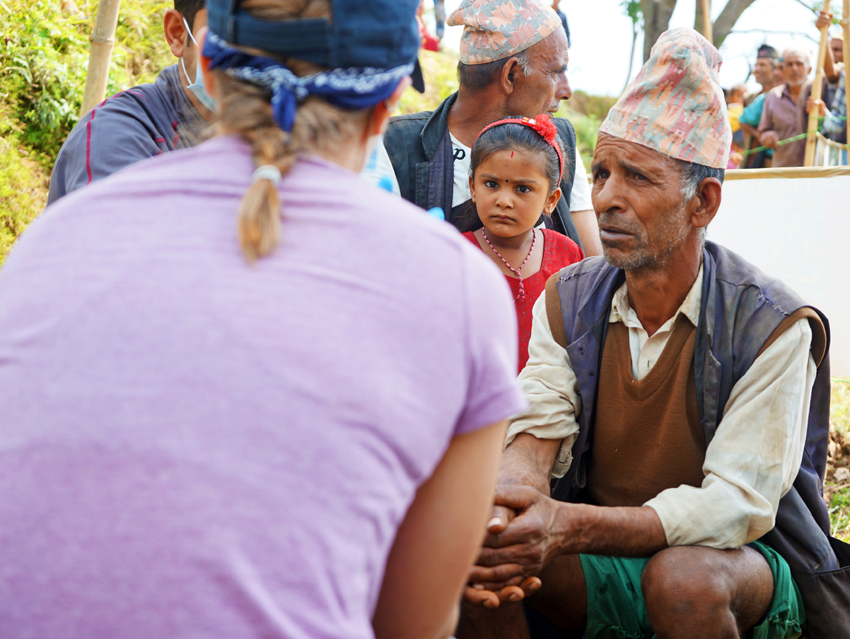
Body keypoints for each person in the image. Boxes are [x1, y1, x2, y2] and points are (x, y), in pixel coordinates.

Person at [0, 1, 530, 637]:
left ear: (209, 66)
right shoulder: (459, 288)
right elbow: (413, 623)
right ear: (388, 102)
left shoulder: (58, 236)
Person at [458, 28, 850, 639]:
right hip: (601, 545)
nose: (609, 197)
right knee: (488, 556)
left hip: (738, 565)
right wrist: (510, 506)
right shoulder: (570, 296)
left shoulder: (772, 323)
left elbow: (735, 507)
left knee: (683, 582)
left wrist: (569, 524)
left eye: (637, 178)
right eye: (603, 172)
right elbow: (537, 421)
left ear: (704, 203)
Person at [370, 0, 603, 257]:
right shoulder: (392, 146)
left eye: (524, 188)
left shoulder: (557, 142)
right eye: (556, 72)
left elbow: (595, 272)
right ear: (511, 75)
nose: (566, 90)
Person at [47, 0, 212, 204]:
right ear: (178, 34)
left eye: (263, 37)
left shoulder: (258, 134)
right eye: (231, 37)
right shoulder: (115, 136)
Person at [463, 114, 584, 373]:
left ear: (551, 200)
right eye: (491, 184)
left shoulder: (568, 255)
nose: (504, 201)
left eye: (523, 189)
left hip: (548, 404)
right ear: (473, 187)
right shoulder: (455, 256)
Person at [758, 46, 813, 167]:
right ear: (784, 69)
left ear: (809, 69)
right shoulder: (773, 96)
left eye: (799, 64)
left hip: (818, 171)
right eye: (789, 64)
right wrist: (768, 136)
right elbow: (763, 131)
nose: (794, 69)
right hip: (784, 173)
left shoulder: (819, 93)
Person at [740, 44, 780, 168]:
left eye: (762, 65)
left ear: (775, 69)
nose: (756, 69)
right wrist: (759, 135)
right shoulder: (749, 98)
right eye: (756, 65)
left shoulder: (783, 96)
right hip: (752, 163)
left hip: (777, 162)